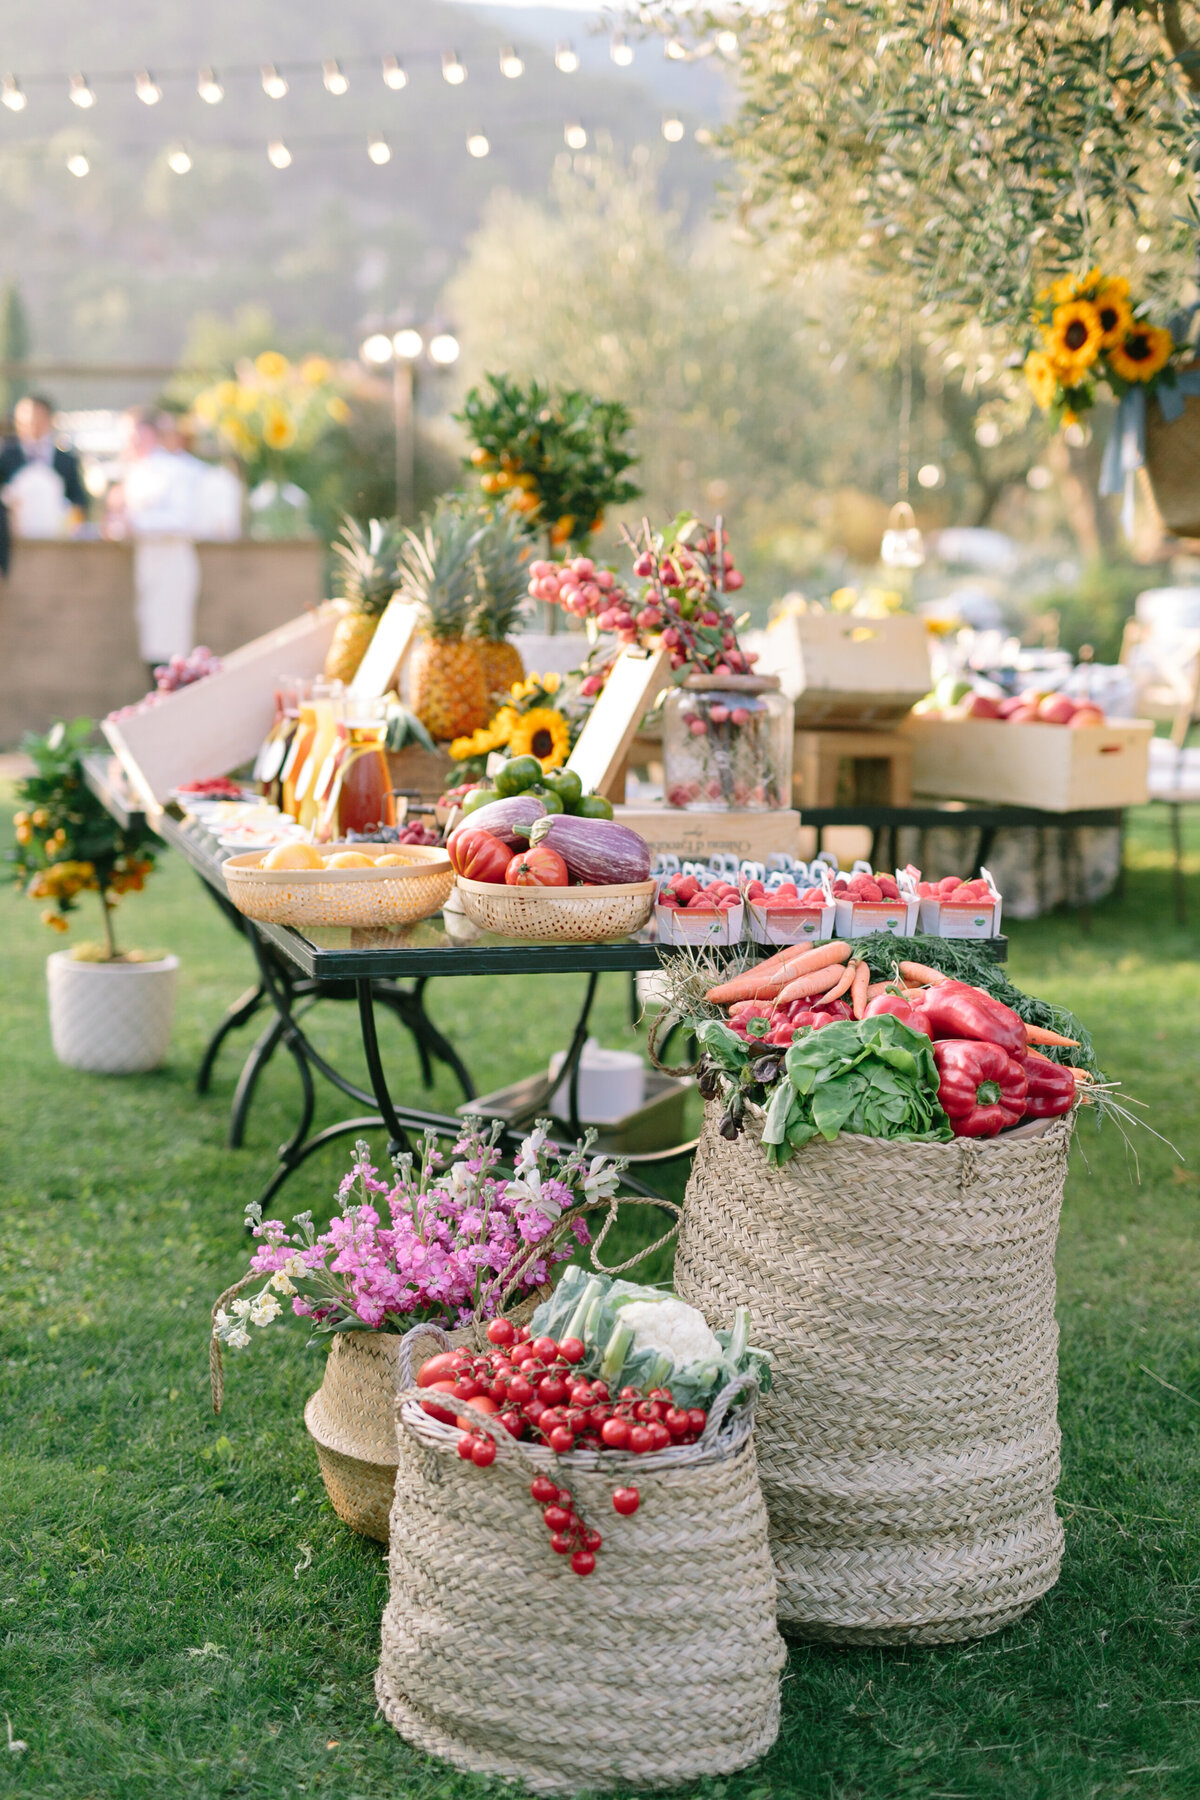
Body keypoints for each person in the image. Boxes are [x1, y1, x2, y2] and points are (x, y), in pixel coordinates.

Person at [117, 407, 202, 680]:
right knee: (151, 644)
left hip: (172, 566)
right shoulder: (134, 472)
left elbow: (184, 519)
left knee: (171, 647)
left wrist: (137, 523)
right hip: (147, 567)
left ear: (149, 432)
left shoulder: (174, 469)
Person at [0, 394, 89, 574]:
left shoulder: (66, 459)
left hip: (56, 546)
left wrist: (70, 523)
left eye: (37, 419)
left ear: (49, 420)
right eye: (24, 420)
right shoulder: (5, 456)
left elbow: (79, 501)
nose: (32, 425)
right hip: (14, 546)